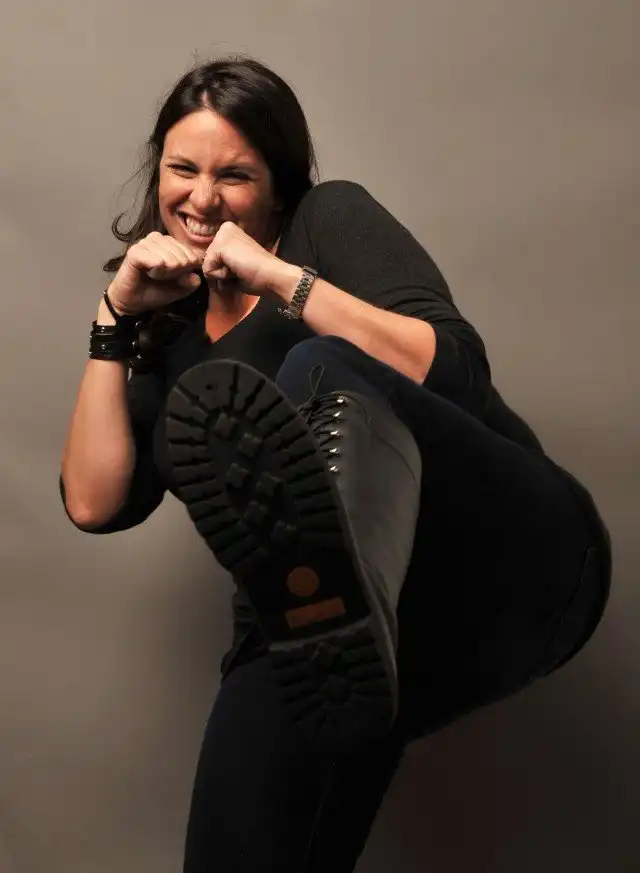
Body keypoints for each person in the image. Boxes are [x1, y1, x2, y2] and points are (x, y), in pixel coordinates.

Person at [59, 56, 612, 873]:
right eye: (183, 169)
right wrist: (115, 317)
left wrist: (280, 279)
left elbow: (456, 369)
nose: (202, 198)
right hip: (334, 639)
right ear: (158, 173)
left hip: (513, 557)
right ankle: (321, 600)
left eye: (234, 175)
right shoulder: (172, 334)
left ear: (277, 186)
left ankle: (326, 574)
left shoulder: (328, 219)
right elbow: (94, 501)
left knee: (321, 369)